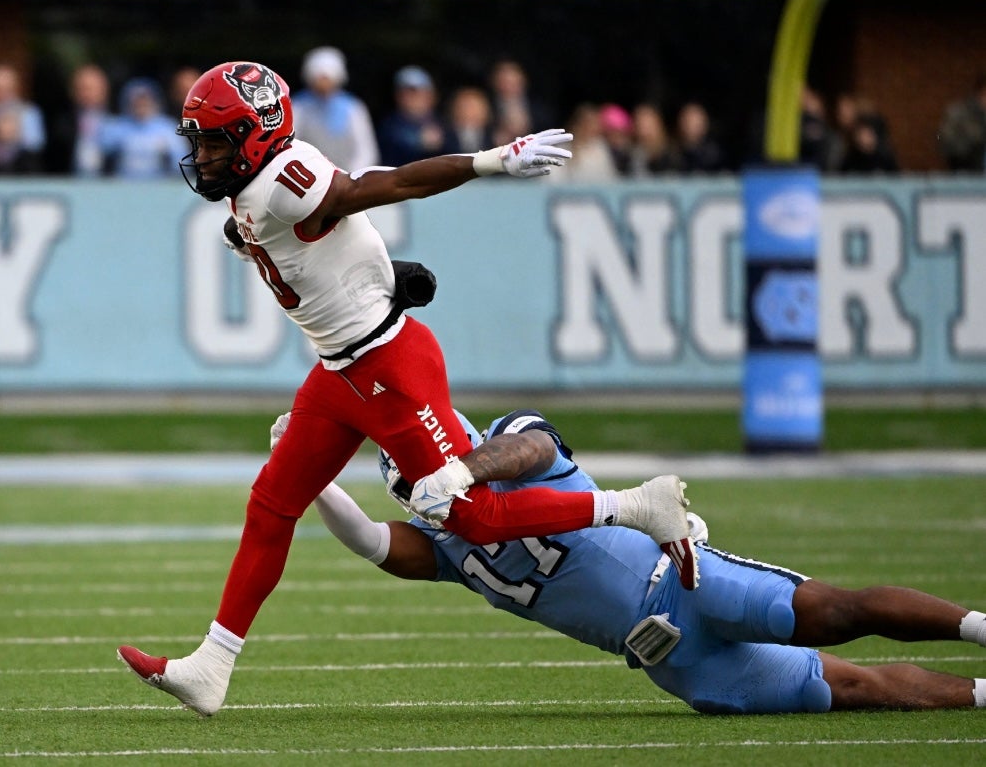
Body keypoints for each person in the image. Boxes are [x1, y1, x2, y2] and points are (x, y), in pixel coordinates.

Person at [116, 60, 697, 717]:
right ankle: (212, 665)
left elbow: (392, 183)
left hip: (389, 367)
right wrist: (364, 268)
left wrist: (492, 161)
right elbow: (292, 239)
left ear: (257, 136)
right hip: (340, 369)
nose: (201, 155)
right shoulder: (256, 189)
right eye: (197, 140)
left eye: (214, 141)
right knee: (271, 503)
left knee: (466, 515)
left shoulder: (287, 181)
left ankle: (634, 506)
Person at [271, 407, 986, 714]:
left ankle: (979, 626)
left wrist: (460, 471)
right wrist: (314, 478)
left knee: (836, 610)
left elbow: (538, 449)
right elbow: (371, 541)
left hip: (687, 582)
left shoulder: (505, 442)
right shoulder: (450, 552)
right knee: (855, 687)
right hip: (676, 663)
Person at [290, 46, 379, 172]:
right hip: (310, 178)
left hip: (348, 179)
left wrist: (351, 176)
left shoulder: (353, 107)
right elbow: (291, 143)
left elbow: (366, 150)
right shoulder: (298, 106)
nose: (323, 84)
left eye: (327, 78)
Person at [108, 77, 187, 179]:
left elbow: (182, 164)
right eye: (137, 101)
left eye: (145, 100)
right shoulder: (115, 127)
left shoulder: (168, 127)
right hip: (122, 186)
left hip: (160, 187)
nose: (141, 105)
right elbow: (99, 162)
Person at [46, 63, 116, 177]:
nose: (87, 93)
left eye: (92, 88)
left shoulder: (116, 118)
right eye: (82, 88)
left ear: (105, 90)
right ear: (73, 91)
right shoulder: (61, 121)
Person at [377, 65, 445, 167]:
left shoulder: (443, 123)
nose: (413, 98)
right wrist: (420, 142)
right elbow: (393, 147)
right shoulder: (390, 125)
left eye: (417, 93)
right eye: (407, 93)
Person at [938, 70, 986, 173]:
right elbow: (945, 142)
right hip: (967, 173)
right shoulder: (959, 114)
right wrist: (976, 141)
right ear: (980, 93)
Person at [557, 102, 617, 183]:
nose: (597, 128)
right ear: (581, 124)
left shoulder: (600, 148)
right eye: (592, 124)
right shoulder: (563, 150)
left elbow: (610, 178)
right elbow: (554, 180)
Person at [440, 86, 494, 155]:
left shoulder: (494, 135)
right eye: (466, 106)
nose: (470, 111)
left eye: (475, 107)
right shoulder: (443, 135)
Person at [674, 101, 725, 174]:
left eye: (696, 122)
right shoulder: (672, 154)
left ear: (705, 124)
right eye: (687, 120)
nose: (690, 126)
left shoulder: (715, 156)